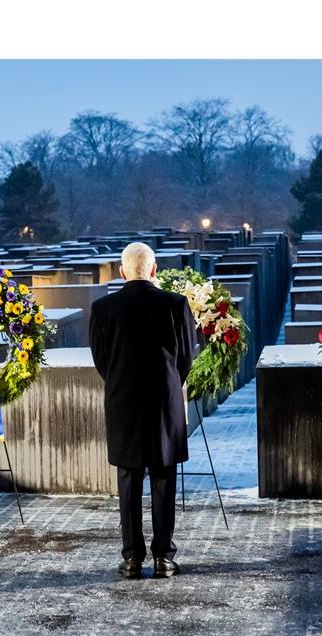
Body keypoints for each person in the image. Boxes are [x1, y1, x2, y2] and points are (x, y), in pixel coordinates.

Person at [89, 242, 197, 579]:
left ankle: (132, 557)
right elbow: (186, 359)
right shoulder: (175, 304)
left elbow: (101, 360)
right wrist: (167, 383)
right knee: (164, 478)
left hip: (124, 402)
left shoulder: (104, 308)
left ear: (122, 272)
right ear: (154, 270)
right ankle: (164, 557)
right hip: (164, 402)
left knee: (129, 480)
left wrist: (121, 381)